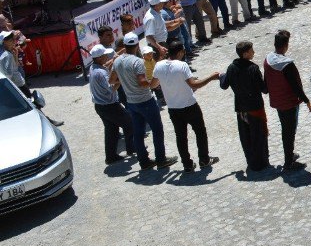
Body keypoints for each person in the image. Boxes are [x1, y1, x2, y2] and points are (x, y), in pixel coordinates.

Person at [112, 33, 177, 170]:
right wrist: (154, 82)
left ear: (124, 45)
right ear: (136, 45)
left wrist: (125, 81)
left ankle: (144, 161)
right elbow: (142, 82)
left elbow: (111, 80)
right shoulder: (137, 62)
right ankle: (161, 159)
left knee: (138, 133)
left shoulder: (117, 61)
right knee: (157, 130)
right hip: (145, 101)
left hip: (131, 102)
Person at [153, 41, 220, 172]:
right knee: (200, 132)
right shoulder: (182, 65)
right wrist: (211, 77)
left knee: (181, 137)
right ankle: (204, 159)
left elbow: (153, 85)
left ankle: (187, 164)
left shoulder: (159, 65)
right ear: (180, 52)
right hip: (190, 105)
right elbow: (194, 85)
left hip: (173, 108)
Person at [263, 30, 311, 171]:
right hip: (289, 103)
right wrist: (307, 101)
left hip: (278, 102)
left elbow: (265, 85)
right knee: (289, 132)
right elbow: (296, 86)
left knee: (286, 130)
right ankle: (288, 162)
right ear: (286, 45)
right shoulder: (287, 64)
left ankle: (289, 155)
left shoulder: (267, 60)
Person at [220, 41, 270, 172]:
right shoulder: (253, 68)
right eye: (252, 50)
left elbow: (224, 85)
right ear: (245, 53)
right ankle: (261, 162)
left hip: (241, 109)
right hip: (255, 108)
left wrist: (220, 76)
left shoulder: (231, 68)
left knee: (245, 136)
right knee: (258, 135)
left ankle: (251, 162)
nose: (254, 52)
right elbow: (264, 89)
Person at [88, 45, 135, 164]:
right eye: (105, 55)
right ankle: (132, 149)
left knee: (111, 131)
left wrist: (114, 60)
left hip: (100, 106)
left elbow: (105, 65)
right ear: (99, 58)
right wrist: (121, 78)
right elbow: (112, 88)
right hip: (110, 106)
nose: (107, 57)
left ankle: (110, 156)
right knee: (130, 123)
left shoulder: (93, 68)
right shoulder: (101, 74)